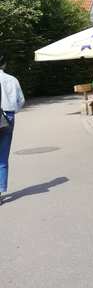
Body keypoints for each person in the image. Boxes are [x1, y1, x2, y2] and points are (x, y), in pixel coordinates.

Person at [0, 53, 25, 205]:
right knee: (2, 156)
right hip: (8, 116)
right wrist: (11, 111)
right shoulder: (12, 79)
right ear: (4, 64)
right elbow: (21, 101)